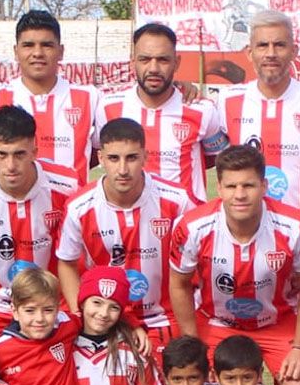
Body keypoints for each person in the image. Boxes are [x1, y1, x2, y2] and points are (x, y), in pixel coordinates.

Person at [170, 145, 300, 385]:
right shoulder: (192, 226)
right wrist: (193, 344)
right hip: (217, 323)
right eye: (232, 186)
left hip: (277, 321)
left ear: (264, 186)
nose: (240, 195)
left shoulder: (295, 225)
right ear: (219, 187)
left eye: (249, 185)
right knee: (194, 382)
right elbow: (179, 284)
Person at [56, 118, 198, 362]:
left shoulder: (178, 200)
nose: (122, 169)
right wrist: (83, 316)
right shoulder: (79, 207)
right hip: (108, 318)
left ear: (145, 156)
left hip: (167, 316)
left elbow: (198, 264)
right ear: (100, 158)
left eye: (131, 158)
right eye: (113, 159)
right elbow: (67, 264)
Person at [0, 105, 79, 337]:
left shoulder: (67, 185)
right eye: (2, 155)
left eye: (19, 154)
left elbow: (78, 250)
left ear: (35, 151)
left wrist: (74, 305)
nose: (10, 166)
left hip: (52, 304)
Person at [217, 10, 300, 223]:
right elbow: (211, 156)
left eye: (280, 45)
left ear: (294, 51)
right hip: (246, 231)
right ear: (249, 52)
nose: (270, 53)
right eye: (262, 45)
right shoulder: (227, 101)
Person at [97, 23, 227, 203]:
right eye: (144, 59)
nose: (153, 68)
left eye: (163, 60)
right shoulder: (109, 107)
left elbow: (216, 159)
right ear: (133, 62)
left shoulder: (202, 109)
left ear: (176, 62)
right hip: (132, 222)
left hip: (185, 223)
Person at [0, 10, 100, 183]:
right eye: (28, 45)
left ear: (60, 51)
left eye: (46, 45)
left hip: (69, 207)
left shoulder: (89, 97)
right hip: (10, 208)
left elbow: (103, 149)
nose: (37, 53)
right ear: (16, 51)